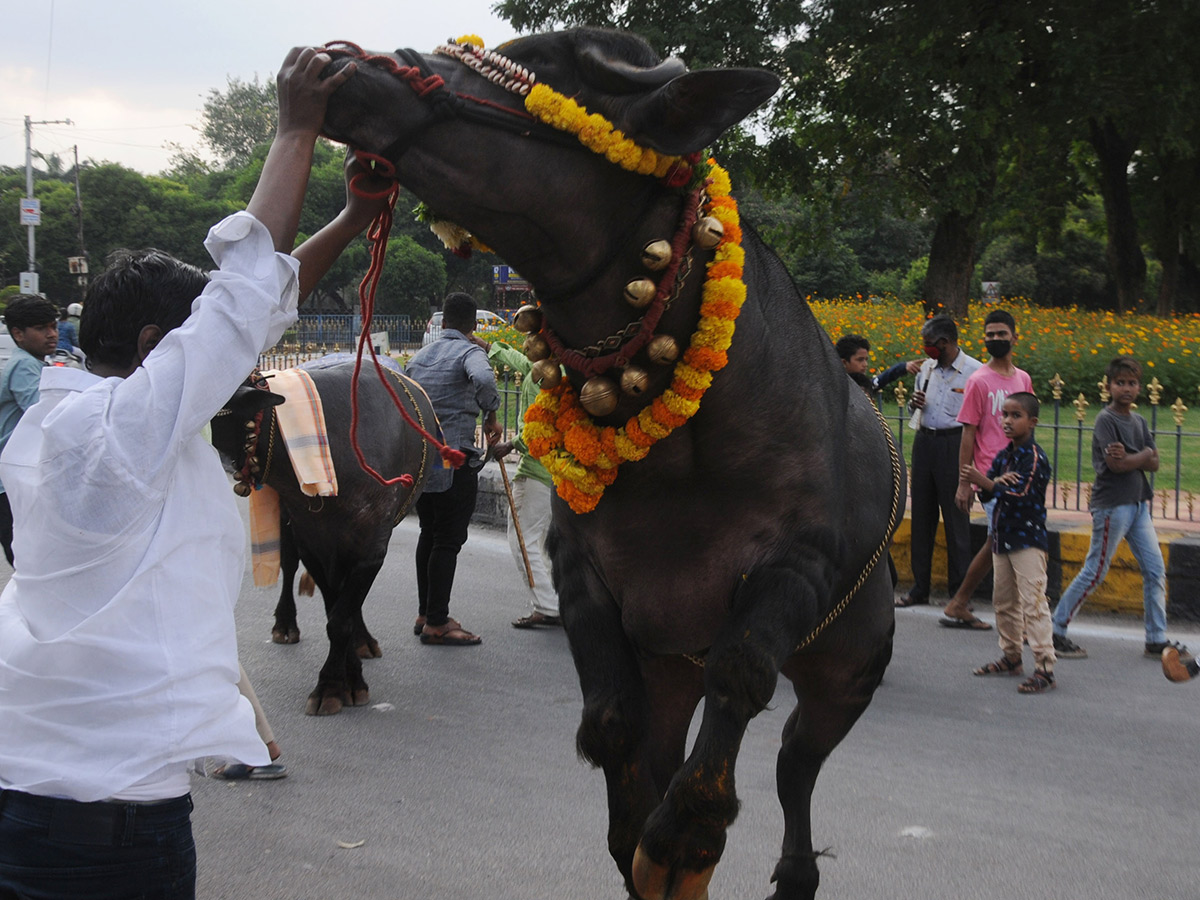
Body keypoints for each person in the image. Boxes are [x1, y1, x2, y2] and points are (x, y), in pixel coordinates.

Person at [0, 47, 372, 900]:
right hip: (106, 826)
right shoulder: (114, 431)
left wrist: (351, 218)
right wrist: (295, 129)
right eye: (201, 346)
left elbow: (256, 306)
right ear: (148, 351)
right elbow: (240, 306)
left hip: (49, 798)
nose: (242, 365)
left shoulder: (83, 419)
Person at [1050, 356, 1190, 660]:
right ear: (1109, 386)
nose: (1126, 388)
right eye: (1120, 383)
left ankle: (1156, 639)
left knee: (1155, 570)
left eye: (1132, 383)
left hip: (1138, 504)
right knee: (1096, 571)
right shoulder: (1106, 420)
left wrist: (1134, 457)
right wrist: (1142, 456)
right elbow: (1116, 465)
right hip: (1113, 506)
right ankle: (1055, 630)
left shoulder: (1138, 421)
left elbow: (1153, 461)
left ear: (1139, 387)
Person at [405, 293, 502, 646]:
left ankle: (426, 611)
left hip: (424, 455)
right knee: (447, 538)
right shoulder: (471, 352)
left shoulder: (420, 355)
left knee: (428, 532)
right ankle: (436, 622)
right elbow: (485, 380)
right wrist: (491, 414)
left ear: (442, 322)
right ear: (473, 325)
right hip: (454, 455)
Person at [942, 309, 1033, 628]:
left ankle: (961, 603)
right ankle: (1020, 612)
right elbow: (968, 432)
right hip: (990, 476)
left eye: (1001, 334)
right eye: (990, 335)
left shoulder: (1023, 380)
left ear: (1014, 337)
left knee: (999, 540)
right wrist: (964, 482)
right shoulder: (979, 380)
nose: (995, 339)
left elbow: (1028, 426)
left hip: (1019, 473)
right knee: (1006, 539)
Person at [961, 392, 1057, 693]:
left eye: (1016, 416)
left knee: (1034, 604)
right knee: (1003, 602)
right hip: (1003, 538)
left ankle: (1044, 667)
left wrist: (990, 483)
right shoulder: (1004, 456)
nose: (1007, 421)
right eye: (1004, 415)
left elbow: (1021, 495)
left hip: (1028, 541)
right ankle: (1011, 656)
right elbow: (989, 494)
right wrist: (992, 484)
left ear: (1032, 422)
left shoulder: (1035, 458)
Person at [895, 315, 983, 617]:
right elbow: (916, 408)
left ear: (945, 342)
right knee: (921, 517)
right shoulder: (927, 369)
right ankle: (920, 587)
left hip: (954, 444)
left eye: (930, 344)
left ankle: (959, 592)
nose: (926, 349)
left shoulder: (974, 372)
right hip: (926, 442)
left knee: (957, 520)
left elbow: (979, 421)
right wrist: (913, 404)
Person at [482, 335, 561, 628]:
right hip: (552, 473)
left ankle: (548, 606)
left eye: (532, 342)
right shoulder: (543, 368)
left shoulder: (548, 379)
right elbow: (519, 361)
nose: (526, 347)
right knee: (538, 541)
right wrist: (490, 347)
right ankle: (554, 600)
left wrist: (511, 444)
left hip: (537, 472)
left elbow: (544, 429)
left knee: (522, 539)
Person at [0, 294, 59, 566]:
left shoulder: (28, 362)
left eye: (53, 326)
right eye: (42, 328)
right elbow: (47, 418)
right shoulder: (24, 365)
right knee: (28, 560)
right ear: (18, 334)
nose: (51, 334)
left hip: (11, 480)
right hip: (10, 483)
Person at [835, 333, 916, 394]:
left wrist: (902, 367)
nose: (865, 364)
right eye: (860, 360)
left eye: (866, 359)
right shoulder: (835, 389)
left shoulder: (863, 385)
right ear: (844, 362)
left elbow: (880, 380)